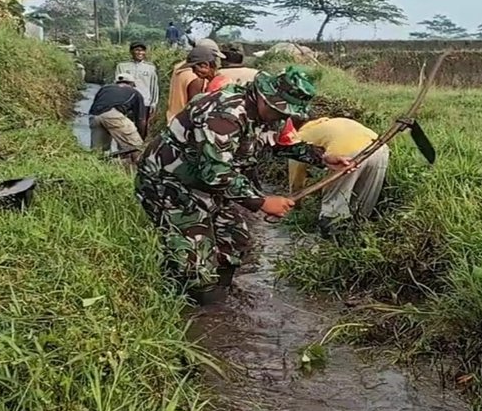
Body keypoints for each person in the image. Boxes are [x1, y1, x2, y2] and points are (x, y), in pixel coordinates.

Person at [135, 66, 354, 305]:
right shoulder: (224, 114)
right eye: (279, 111)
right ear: (263, 97)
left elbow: (283, 144)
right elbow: (216, 173)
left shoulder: (271, 116)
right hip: (170, 184)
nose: (282, 118)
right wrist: (262, 202)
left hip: (209, 185)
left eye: (286, 113)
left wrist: (321, 158)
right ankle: (184, 302)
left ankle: (218, 299)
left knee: (235, 239)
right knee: (193, 264)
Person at [286, 116, 389, 238]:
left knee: (335, 205)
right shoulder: (332, 122)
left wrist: (296, 206)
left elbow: (296, 177)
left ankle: (332, 240)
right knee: (363, 205)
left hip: (346, 155)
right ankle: (361, 235)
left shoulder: (299, 138)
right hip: (379, 148)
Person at [165, 38, 226, 121]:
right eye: (214, 57)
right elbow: (197, 109)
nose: (216, 61)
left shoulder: (179, 68)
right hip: (186, 123)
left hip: (174, 118)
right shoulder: (196, 76)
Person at [88, 75, 147, 155]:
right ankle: (131, 165)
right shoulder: (135, 93)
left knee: (98, 151)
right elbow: (141, 120)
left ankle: (97, 164)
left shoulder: (105, 88)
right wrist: (141, 137)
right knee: (136, 148)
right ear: (132, 84)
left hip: (94, 116)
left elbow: (96, 103)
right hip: (112, 116)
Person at [115, 42, 158, 135]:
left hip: (144, 101)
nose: (140, 52)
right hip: (127, 101)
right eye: (137, 50)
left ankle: (140, 147)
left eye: (142, 50)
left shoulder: (150, 68)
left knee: (142, 126)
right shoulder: (122, 66)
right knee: (125, 126)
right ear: (131, 52)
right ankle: (126, 147)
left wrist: (153, 103)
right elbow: (117, 84)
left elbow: (154, 86)